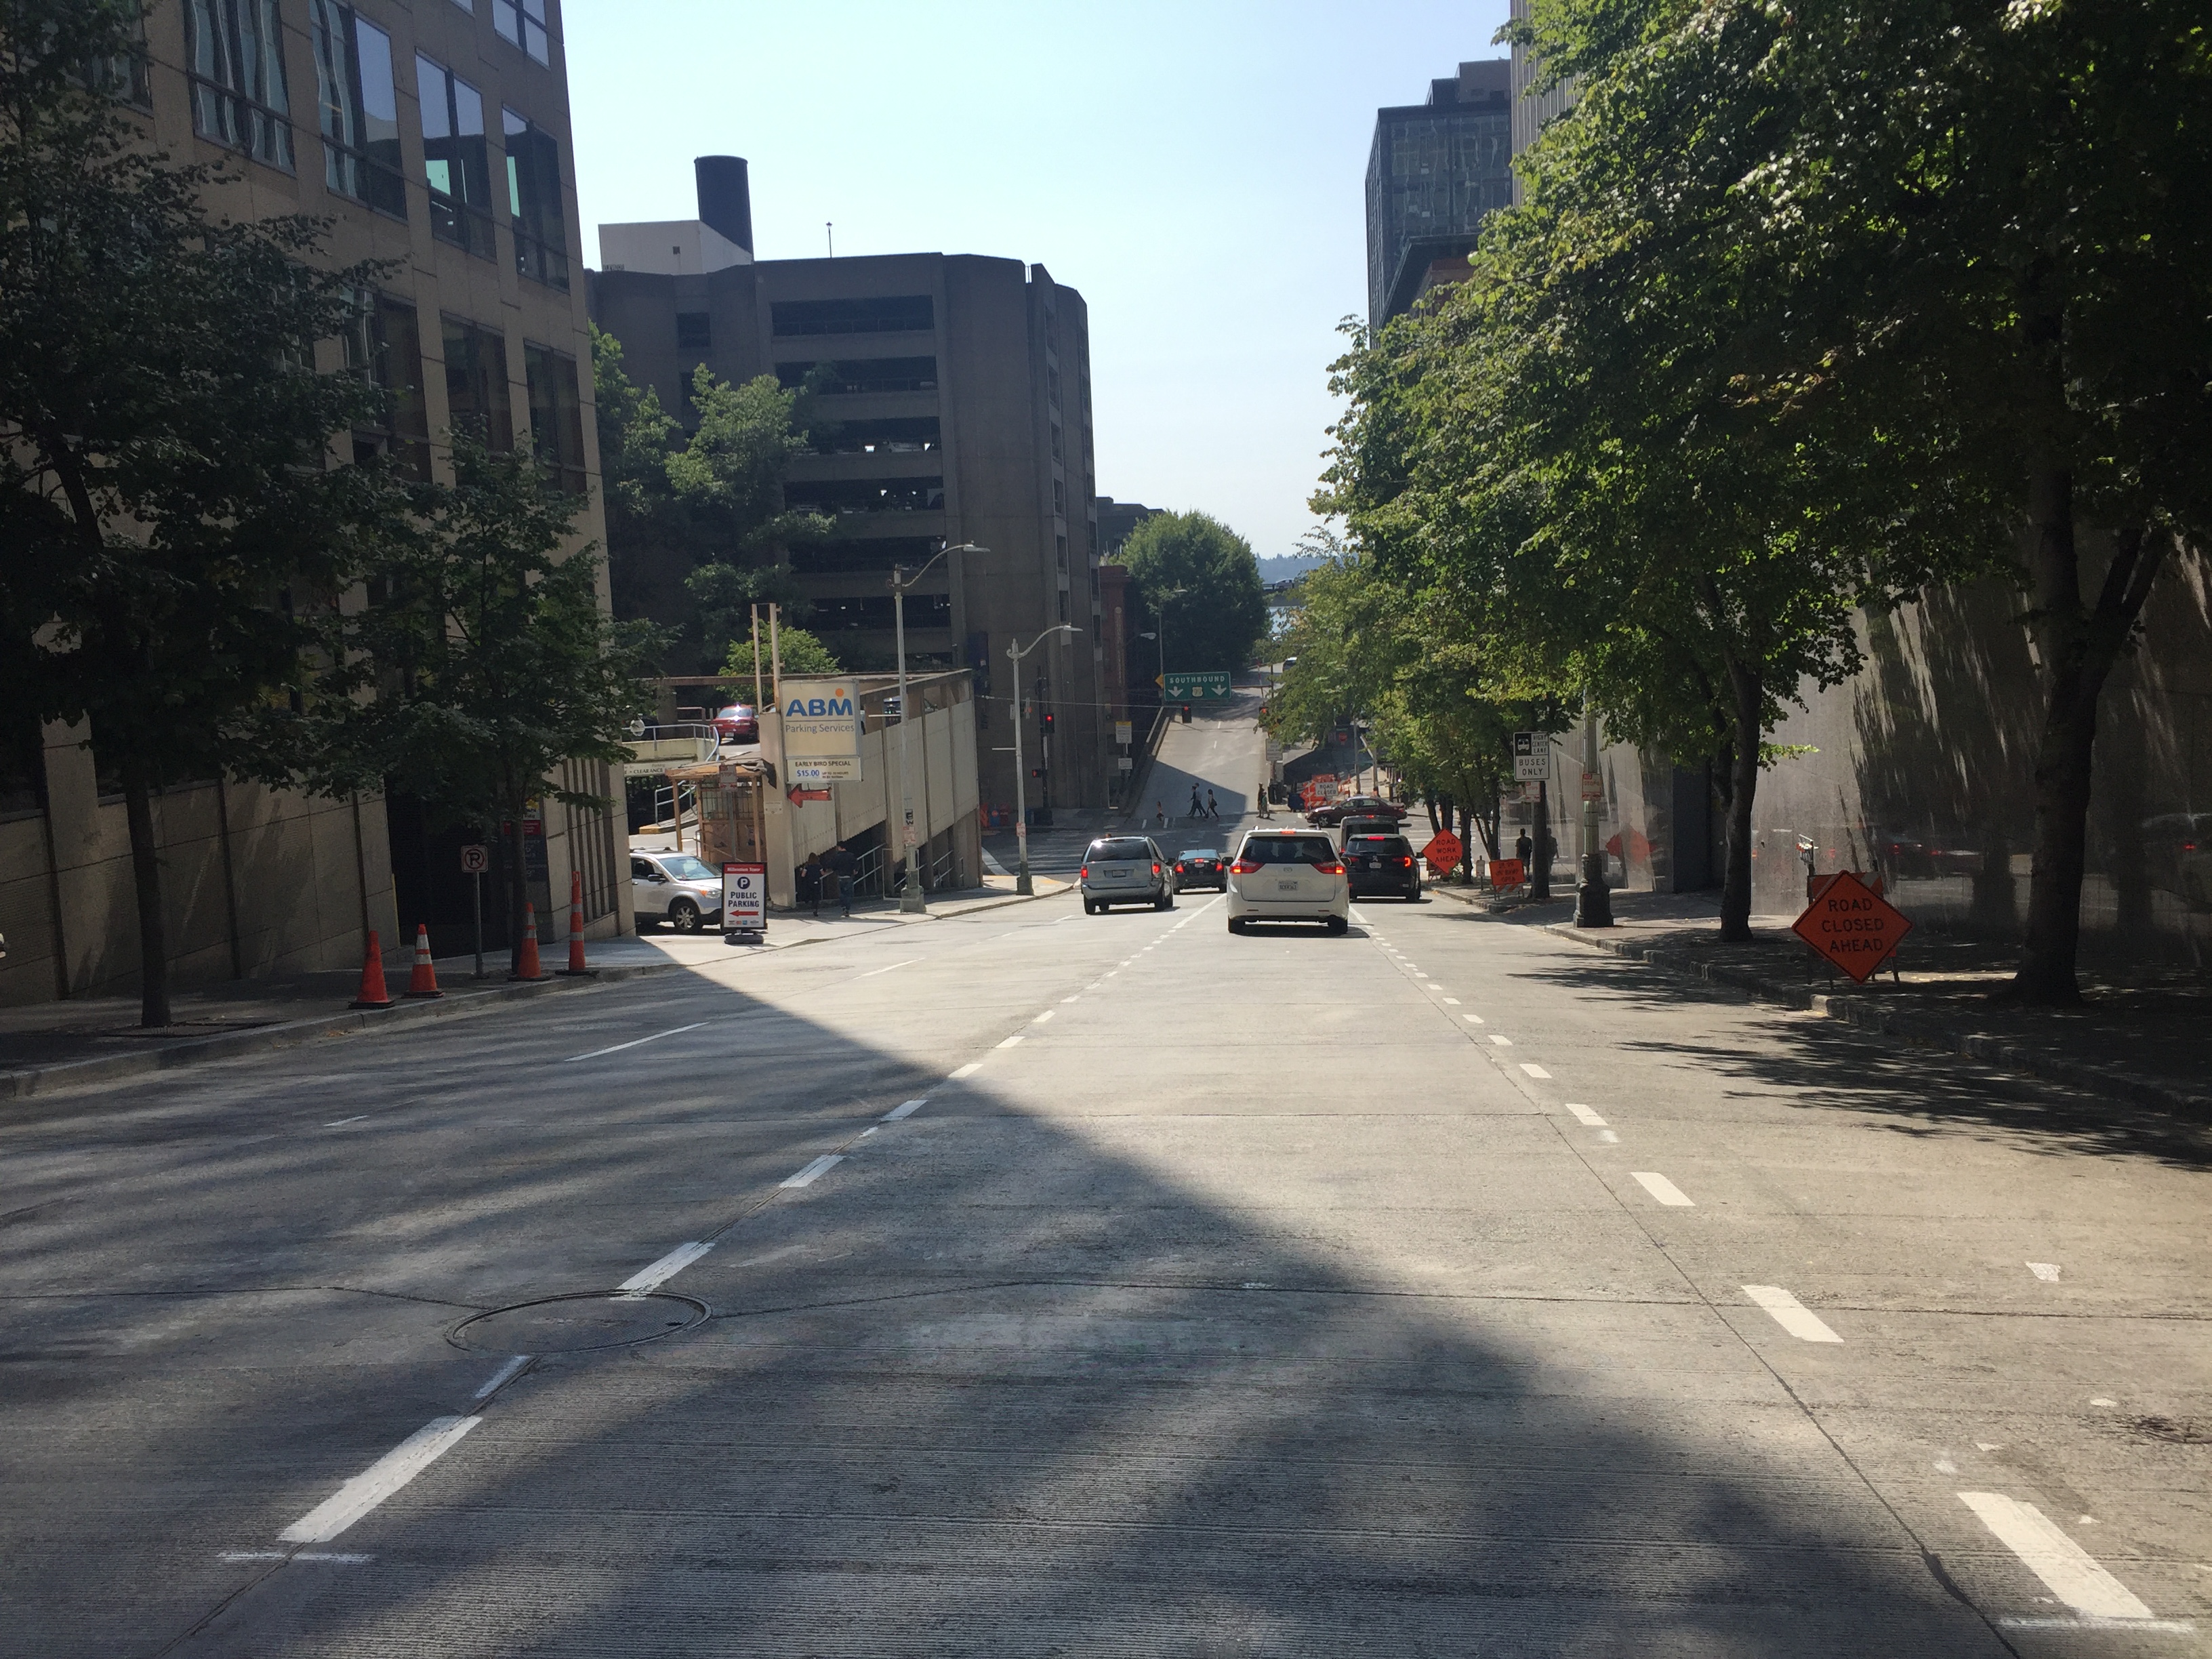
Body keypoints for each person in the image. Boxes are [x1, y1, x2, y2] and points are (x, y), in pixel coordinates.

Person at [823, 842, 857, 916]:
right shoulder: (851, 856)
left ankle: (843, 907)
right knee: (849, 894)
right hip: (849, 877)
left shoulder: (837, 857)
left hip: (841, 877)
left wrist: (826, 869)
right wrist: (855, 871)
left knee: (842, 893)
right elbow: (856, 865)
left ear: (840, 847)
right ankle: (847, 909)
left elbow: (832, 865)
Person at [798, 853, 824, 918]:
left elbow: (803, 875)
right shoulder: (819, 866)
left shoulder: (807, 866)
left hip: (809, 882)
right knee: (817, 895)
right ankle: (816, 908)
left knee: (811, 894)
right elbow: (823, 873)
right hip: (817, 882)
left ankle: (810, 903)